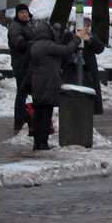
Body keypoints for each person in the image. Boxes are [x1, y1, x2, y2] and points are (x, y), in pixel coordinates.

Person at [27, 21, 81, 151]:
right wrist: (77, 39)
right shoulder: (48, 46)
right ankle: (43, 143)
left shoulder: (35, 45)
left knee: (38, 113)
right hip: (48, 83)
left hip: (37, 83)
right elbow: (66, 49)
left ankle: (37, 143)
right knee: (46, 114)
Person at [60, 23, 106, 115]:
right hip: (72, 72)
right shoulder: (68, 36)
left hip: (89, 73)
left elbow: (100, 48)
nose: (86, 28)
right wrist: (72, 58)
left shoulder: (92, 36)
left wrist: (89, 40)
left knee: (89, 96)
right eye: (84, 26)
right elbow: (63, 51)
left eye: (88, 26)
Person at [6, 3, 33, 134]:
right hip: (21, 64)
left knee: (25, 93)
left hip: (27, 64)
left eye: (26, 12)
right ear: (17, 14)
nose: (24, 14)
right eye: (22, 12)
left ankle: (25, 117)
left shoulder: (26, 26)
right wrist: (33, 44)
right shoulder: (15, 27)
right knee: (22, 93)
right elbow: (18, 43)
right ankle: (19, 120)